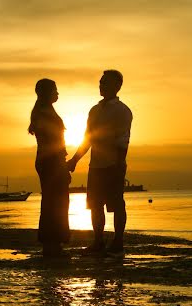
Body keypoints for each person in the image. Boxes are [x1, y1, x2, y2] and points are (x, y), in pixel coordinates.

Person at [67, 70, 132, 255]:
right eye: (100, 82)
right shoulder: (94, 110)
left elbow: (123, 140)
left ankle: (118, 241)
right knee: (95, 204)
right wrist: (74, 160)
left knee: (117, 204)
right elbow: (87, 139)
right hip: (95, 165)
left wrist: (120, 164)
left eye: (105, 82)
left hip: (114, 164)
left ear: (116, 86)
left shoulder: (122, 111)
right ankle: (98, 241)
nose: (101, 85)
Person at [29, 78, 70, 257]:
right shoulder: (44, 112)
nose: (58, 93)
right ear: (47, 93)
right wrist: (62, 165)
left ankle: (53, 241)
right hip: (51, 161)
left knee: (53, 201)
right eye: (55, 90)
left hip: (48, 160)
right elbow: (53, 143)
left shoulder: (43, 111)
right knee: (56, 201)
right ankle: (52, 242)